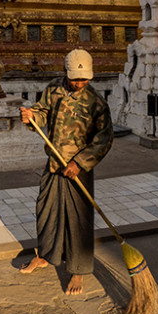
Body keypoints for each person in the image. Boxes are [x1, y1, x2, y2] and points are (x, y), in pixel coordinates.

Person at [19, 48, 113, 295]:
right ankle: (46, 255)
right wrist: (32, 117)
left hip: (77, 170)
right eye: (75, 79)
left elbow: (104, 138)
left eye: (84, 79)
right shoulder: (53, 89)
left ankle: (78, 271)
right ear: (65, 72)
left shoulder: (96, 103)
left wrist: (80, 163)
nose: (79, 83)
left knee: (78, 220)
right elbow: (42, 112)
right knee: (46, 210)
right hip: (54, 164)